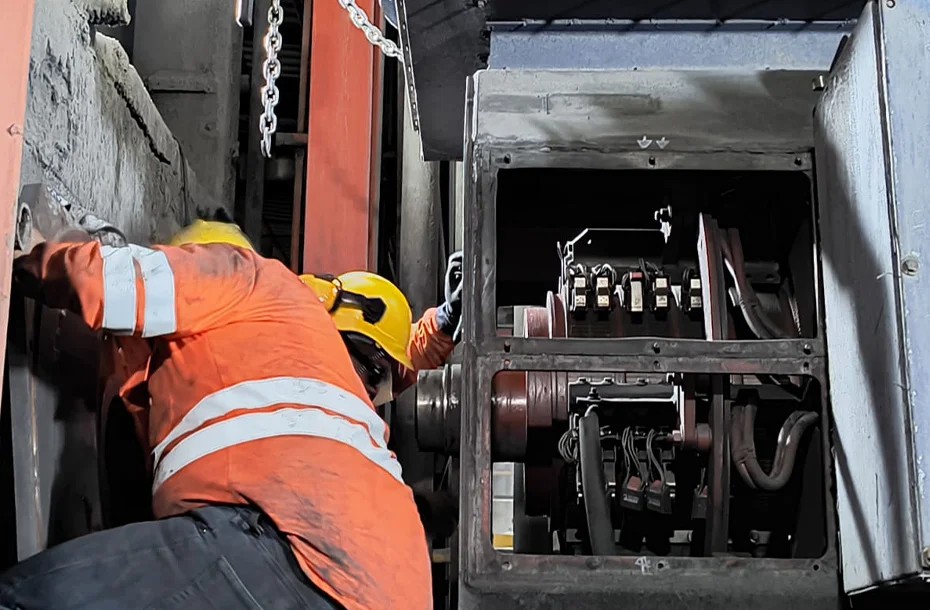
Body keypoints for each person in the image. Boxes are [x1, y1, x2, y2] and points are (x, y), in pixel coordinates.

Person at [2, 219, 462, 610]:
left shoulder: (245, 277)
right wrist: (439, 325)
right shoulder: (298, 369)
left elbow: (106, 280)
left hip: (303, 558)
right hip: (380, 583)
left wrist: (15, 261)